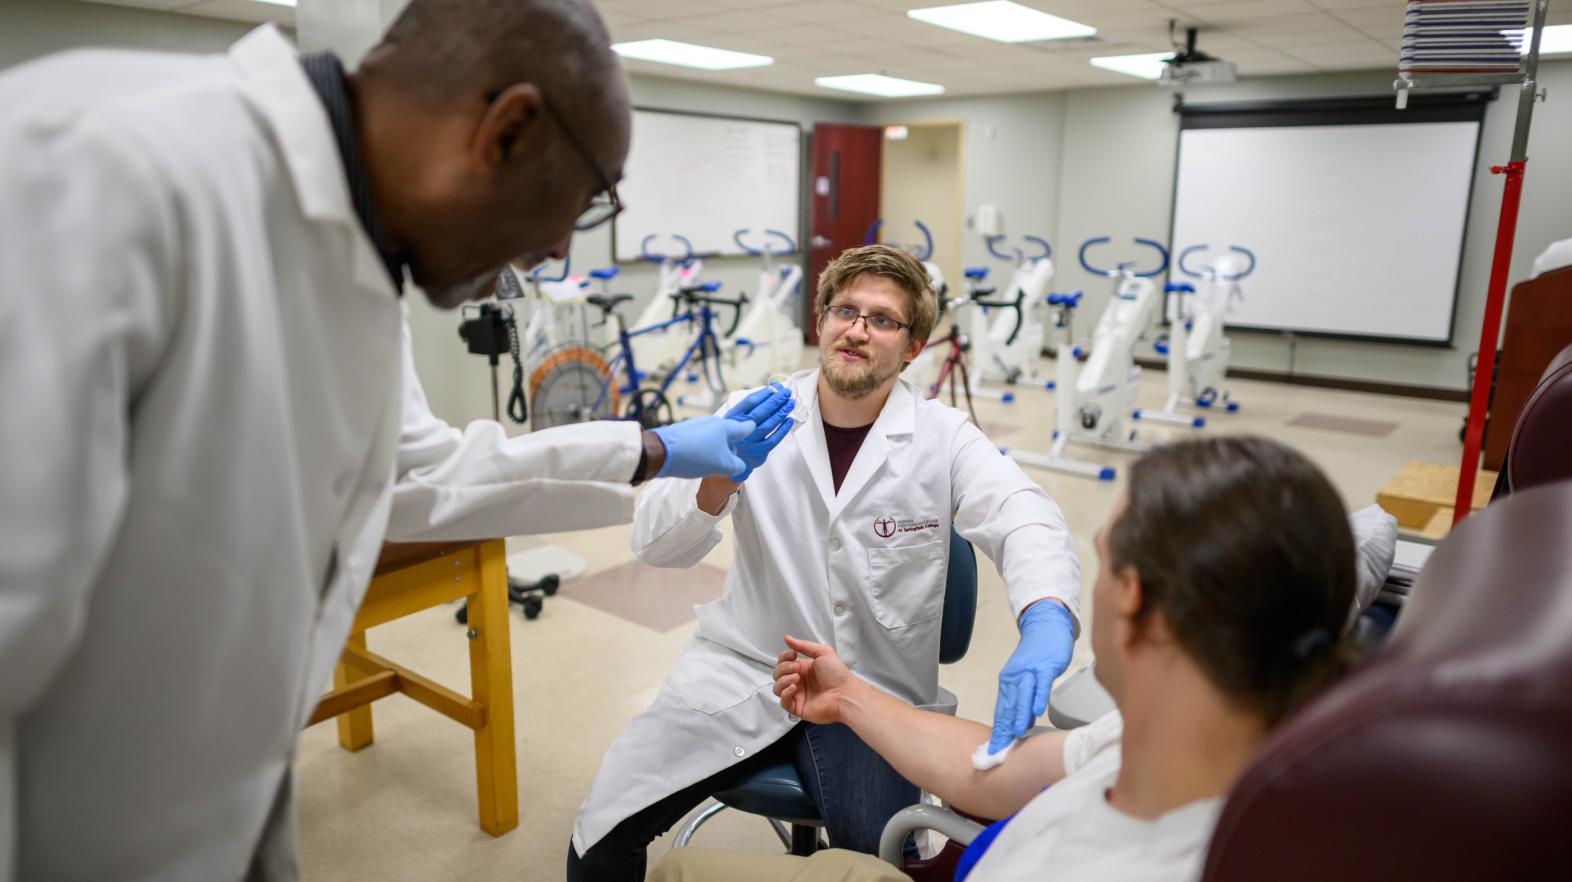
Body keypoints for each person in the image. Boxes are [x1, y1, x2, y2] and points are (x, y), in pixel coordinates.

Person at [0, 2, 781, 880]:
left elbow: (420, 472)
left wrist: (656, 450)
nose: (555, 247)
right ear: (507, 129)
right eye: (577, 203)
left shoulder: (359, 259)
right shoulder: (84, 165)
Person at [569, 245, 1082, 880]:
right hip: (743, 668)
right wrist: (715, 482)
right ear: (821, 323)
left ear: (914, 346)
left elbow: (1023, 515)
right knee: (598, 838)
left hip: (871, 691)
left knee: (881, 868)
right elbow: (654, 545)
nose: (858, 329)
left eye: (884, 319)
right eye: (846, 310)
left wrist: (1046, 617)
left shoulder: (942, 438)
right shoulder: (753, 412)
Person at [650, 435, 1358, 882]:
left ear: (1134, 600)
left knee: (678, 871)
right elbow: (987, 774)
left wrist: (1044, 613)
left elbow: (1021, 515)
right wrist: (849, 697)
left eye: (1102, 561)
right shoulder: (1183, 739)